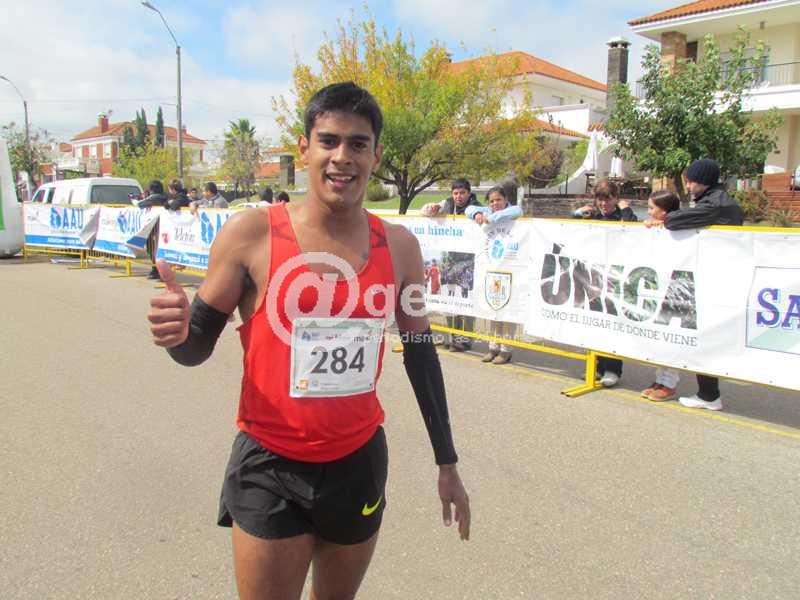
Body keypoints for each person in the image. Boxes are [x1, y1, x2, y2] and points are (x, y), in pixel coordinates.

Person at [147, 81, 470, 600]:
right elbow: (194, 348)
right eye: (328, 141)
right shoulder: (251, 234)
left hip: (358, 464)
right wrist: (178, 333)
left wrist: (446, 462)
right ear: (304, 148)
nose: (343, 157)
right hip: (269, 464)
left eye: (358, 144)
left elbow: (421, 357)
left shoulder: (401, 248)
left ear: (375, 156)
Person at [645, 158, 744, 411]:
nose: (687, 186)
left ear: (702, 181)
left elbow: (676, 220)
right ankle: (707, 393)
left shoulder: (716, 203)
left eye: (690, 181)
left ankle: (709, 395)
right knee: (700, 335)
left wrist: (666, 219)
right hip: (710, 275)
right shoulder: (713, 200)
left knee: (706, 335)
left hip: (715, 278)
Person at [573, 179, 638, 387]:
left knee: (612, 323)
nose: (603, 204)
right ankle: (597, 366)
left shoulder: (622, 216)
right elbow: (569, 228)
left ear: (616, 198)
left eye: (608, 199)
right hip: (594, 277)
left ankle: (613, 369)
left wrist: (625, 210)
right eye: (600, 199)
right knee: (595, 322)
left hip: (616, 278)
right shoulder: (593, 215)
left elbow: (634, 230)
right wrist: (577, 213)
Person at [421, 179, 482, 352]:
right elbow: (424, 211)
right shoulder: (448, 204)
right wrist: (433, 208)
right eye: (455, 193)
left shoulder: (477, 207)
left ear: (469, 193)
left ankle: (464, 340)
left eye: (462, 193)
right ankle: (451, 337)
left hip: (469, 262)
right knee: (449, 300)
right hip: (452, 260)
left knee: (465, 302)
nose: (458, 196)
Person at [465, 186, 523, 364]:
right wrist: (477, 214)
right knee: (494, 309)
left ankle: (506, 350)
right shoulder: (487, 210)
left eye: (498, 200)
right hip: (492, 269)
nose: (495, 203)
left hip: (511, 269)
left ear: (505, 199)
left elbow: (517, 210)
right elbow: (469, 209)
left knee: (508, 311)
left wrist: (490, 218)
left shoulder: (512, 211)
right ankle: (493, 346)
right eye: (491, 201)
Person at [639, 190, 682, 401]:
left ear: (664, 211)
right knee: (659, 336)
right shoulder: (658, 228)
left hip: (675, 289)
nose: (649, 212)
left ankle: (669, 383)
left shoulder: (680, 227)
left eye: (652, 208)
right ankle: (660, 379)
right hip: (659, 285)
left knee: (671, 335)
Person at [138, 180, 169, 280]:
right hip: (158, 227)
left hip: (155, 226)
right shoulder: (165, 196)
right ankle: (156, 269)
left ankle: (158, 270)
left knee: (153, 249)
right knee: (155, 249)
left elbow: (140, 204)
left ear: (152, 190)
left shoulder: (156, 197)